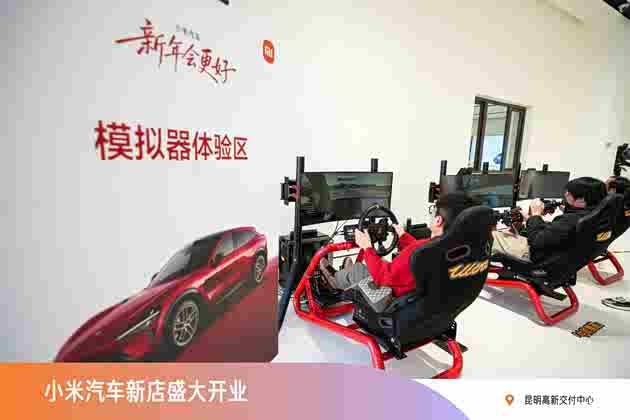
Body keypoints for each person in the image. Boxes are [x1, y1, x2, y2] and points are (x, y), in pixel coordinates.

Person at [319, 192, 480, 297]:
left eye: (433, 211)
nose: (431, 214)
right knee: (372, 264)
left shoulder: (421, 251)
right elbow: (422, 251)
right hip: (421, 299)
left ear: (438, 220)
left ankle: (333, 281)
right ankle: (346, 274)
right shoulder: (457, 248)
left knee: (359, 269)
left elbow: (384, 276)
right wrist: (402, 236)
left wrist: (367, 247)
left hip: (393, 298)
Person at [492, 177, 607, 262]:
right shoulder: (597, 216)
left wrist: (536, 215)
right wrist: (532, 220)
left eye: (569, 194)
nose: (566, 195)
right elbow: (556, 233)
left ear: (581, 200)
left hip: (537, 257)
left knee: (489, 236)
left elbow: (536, 241)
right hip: (560, 257)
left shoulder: (571, 221)